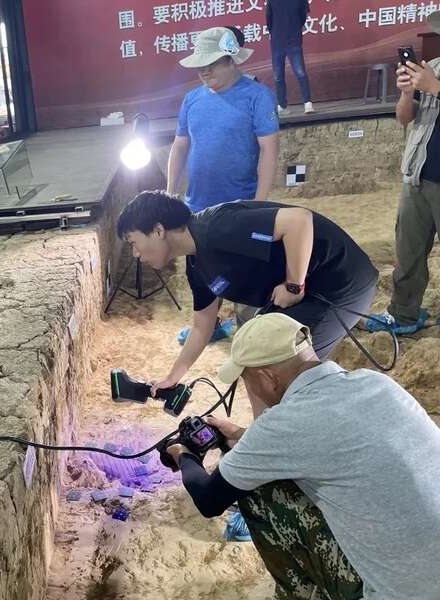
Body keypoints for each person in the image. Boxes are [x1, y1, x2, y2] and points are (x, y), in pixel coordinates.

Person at [163, 313, 440, 599]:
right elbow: (328, 441)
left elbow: (209, 500)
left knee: (258, 489)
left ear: (267, 378)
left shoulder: (284, 422)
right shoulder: (376, 383)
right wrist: (244, 434)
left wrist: (183, 453)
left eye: (246, 380)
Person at [117, 191, 378, 416]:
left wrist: (293, 285)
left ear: (158, 230)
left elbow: (299, 221)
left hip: (339, 282)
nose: (135, 254)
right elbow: (202, 326)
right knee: (255, 363)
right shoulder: (197, 266)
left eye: (133, 243)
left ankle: (282, 446)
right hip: (313, 291)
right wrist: (172, 378)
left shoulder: (216, 227)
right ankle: (263, 440)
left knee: (282, 373)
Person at [168, 26, 280, 344]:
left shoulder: (257, 96)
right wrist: (170, 192)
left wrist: (259, 204)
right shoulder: (192, 99)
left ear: (232, 60)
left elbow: (269, 151)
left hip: (240, 206)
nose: (204, 71)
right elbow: (180, 146)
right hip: (197, 206)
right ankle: (211, 324)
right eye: (200, 65)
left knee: (245, 270)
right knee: (202, 271)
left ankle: (250, 334)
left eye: (212, 64)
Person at [365, 10, 440, 335]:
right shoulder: (432, 68)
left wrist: (435, 87)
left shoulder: (432, 77)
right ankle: (404, 313)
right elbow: (404, 117)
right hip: (418, 175)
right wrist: (408, 92)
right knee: (408, 252)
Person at [266, 0, 315, 114]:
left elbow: (302, 16)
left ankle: (307, 103)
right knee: (278, 75)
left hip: (291, 39)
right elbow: (269, 18)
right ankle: (282, 105)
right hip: (279, 40)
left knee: (299, 72)